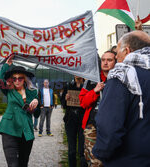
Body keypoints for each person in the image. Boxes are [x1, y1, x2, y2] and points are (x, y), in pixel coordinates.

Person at [92, 31, 150, 166]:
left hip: (127, 159)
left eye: (118, 51)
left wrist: (101, 154)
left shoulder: (122, 74)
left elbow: (110, 126)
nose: (117, 56)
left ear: (127, 50)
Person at [0, 55, 38, 167]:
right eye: (14, 78)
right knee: (13, 164)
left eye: (20, 78)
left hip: (26, 131)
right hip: (9, 129)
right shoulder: (8, 91)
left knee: (23, 164)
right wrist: (6, 65)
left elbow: (37, 114)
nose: (17, 81)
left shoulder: (33, 93)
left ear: (25, 79)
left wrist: (36, 104)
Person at [79, 51, 116, 167]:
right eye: (103, 60)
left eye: (109, 60)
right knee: (95, 161)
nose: (105, 62)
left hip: (113, 126)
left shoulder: (120, 78)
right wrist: (95, 90)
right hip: (92, 125)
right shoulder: (91, 79)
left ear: (116, 62)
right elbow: (83, 103)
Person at [61, 76, 87, 167]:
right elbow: (63, 105)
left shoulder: (87, 86)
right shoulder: (68, 85)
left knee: (82, 150)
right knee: (72, 150)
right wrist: (65, 98)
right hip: (70, 120)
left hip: (83, 120)